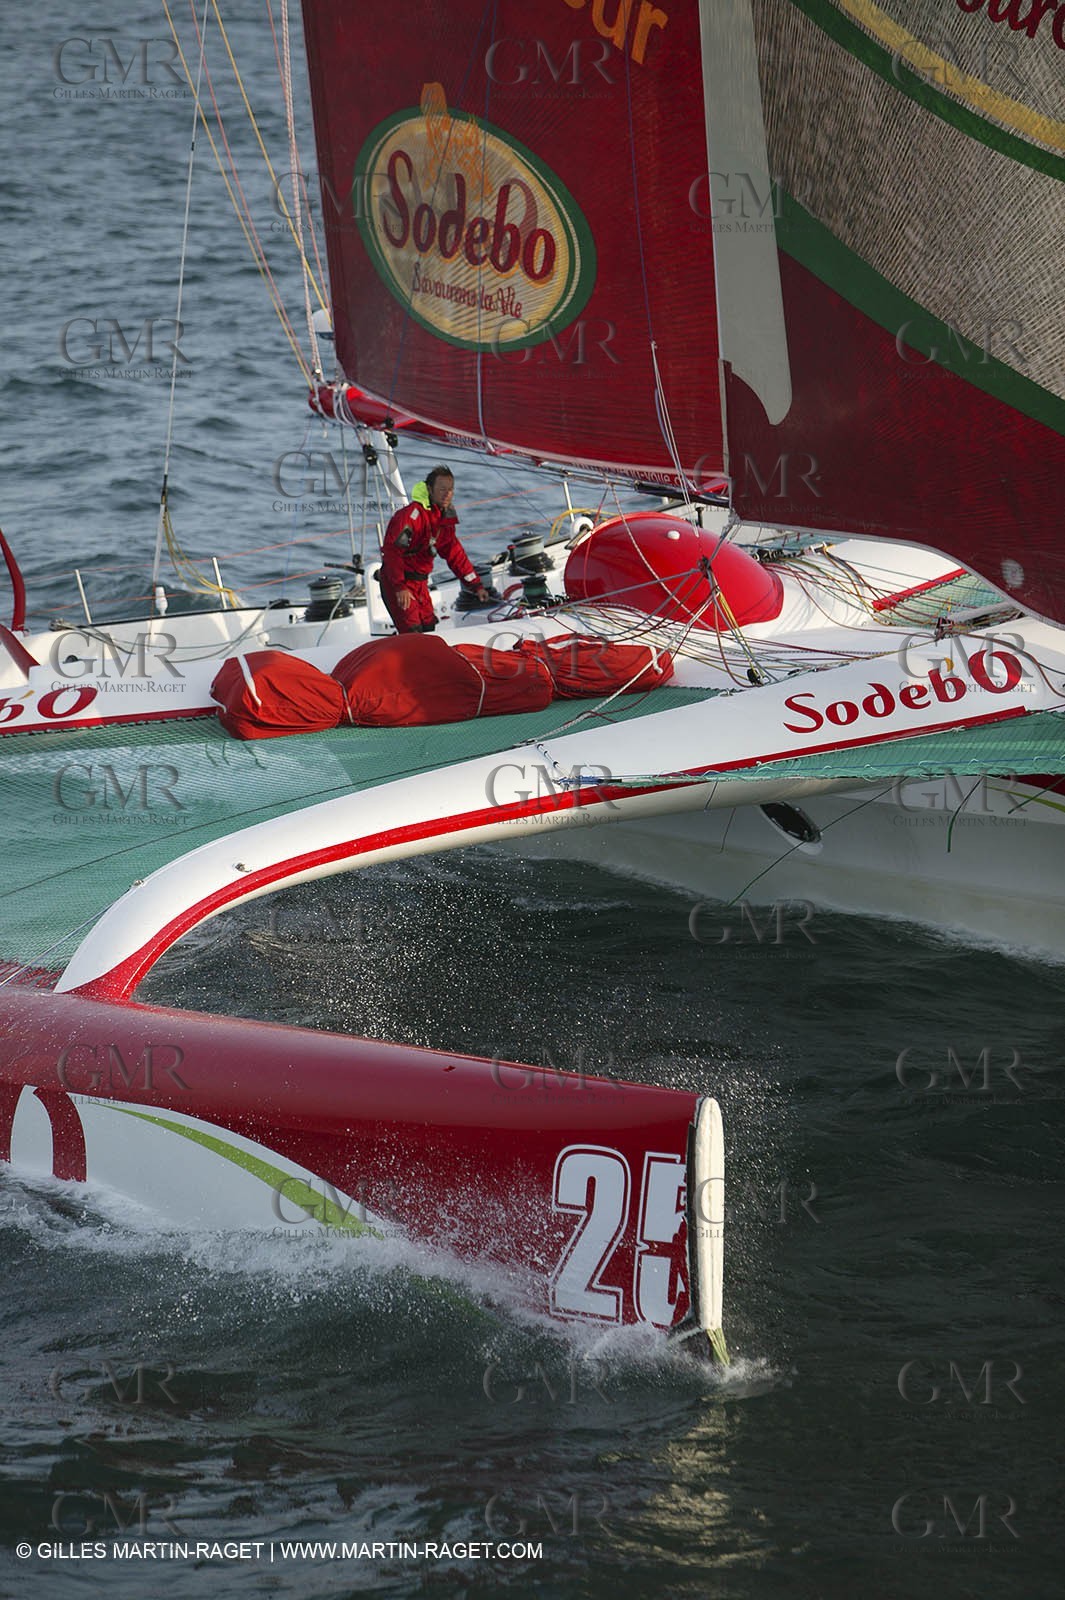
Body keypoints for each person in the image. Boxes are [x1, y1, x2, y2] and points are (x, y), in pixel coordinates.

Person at [379, 466, 489, 633]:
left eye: (450, 490)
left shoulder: (444, 522)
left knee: (429, 625)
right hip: (400, 582)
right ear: (430, 489)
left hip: (421, 583)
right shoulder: (410, 516)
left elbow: (455, 555)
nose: (447, 494)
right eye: (442, 489)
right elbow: (392, 553)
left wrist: (476, 585)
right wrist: (399, 587)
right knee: (413, 631)